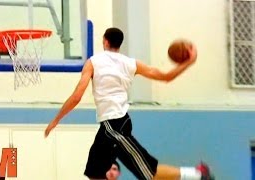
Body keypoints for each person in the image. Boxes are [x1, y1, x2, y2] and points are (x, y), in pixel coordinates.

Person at [44, 27, 214, 180]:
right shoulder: (130, 63)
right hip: (109, 126)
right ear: (119, 44)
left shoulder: (93, 62)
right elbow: (166, 77)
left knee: (148, 173)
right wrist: (188, 62)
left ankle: (198, 175)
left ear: (105, 40)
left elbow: (76, 97)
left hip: (115, 124)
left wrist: (56, 119)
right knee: (94, 174)